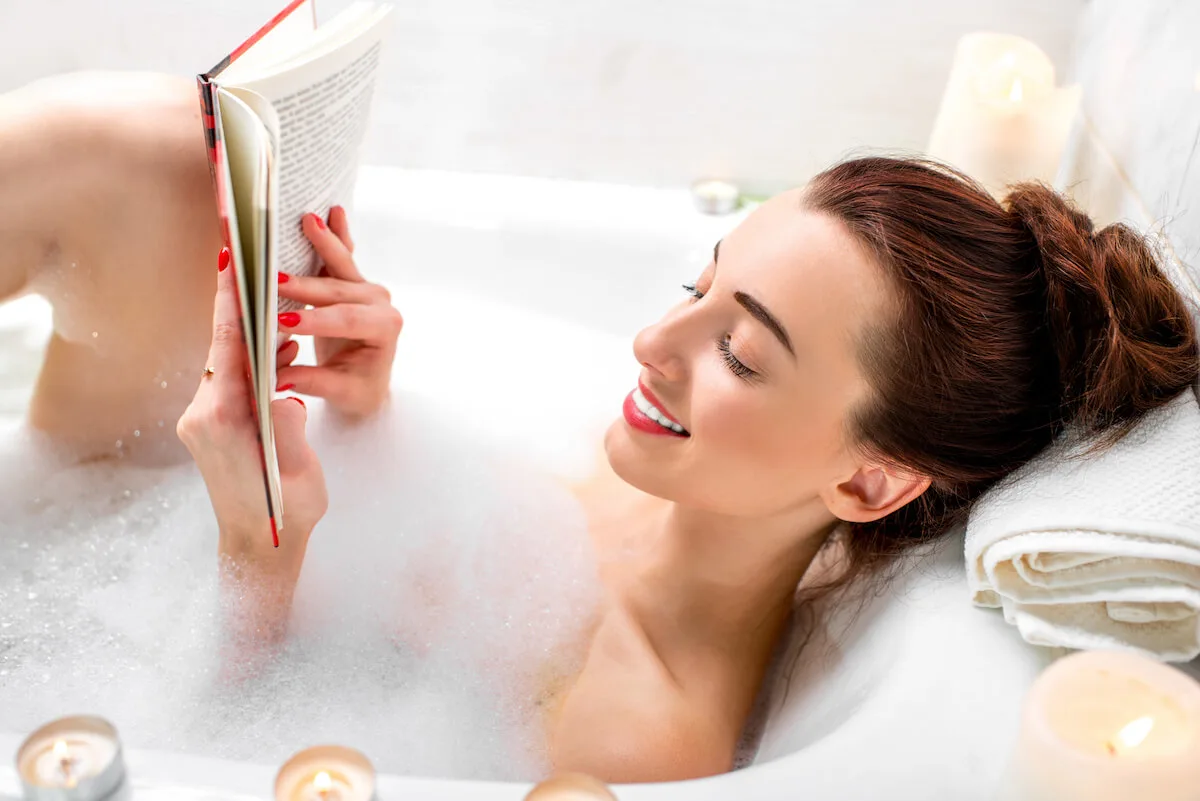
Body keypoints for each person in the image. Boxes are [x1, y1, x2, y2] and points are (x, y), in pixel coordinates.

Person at [2, 72, 1197, 783]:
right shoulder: (661, 484)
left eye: (737, 352)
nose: (650, 346)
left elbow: (207, 748)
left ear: (870, 487)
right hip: (132, 524)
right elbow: (412, 567)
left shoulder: (630, 740)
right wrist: (363, 407)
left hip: (132, 640)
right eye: (700, 285)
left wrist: (255, 552)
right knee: (164, 147)